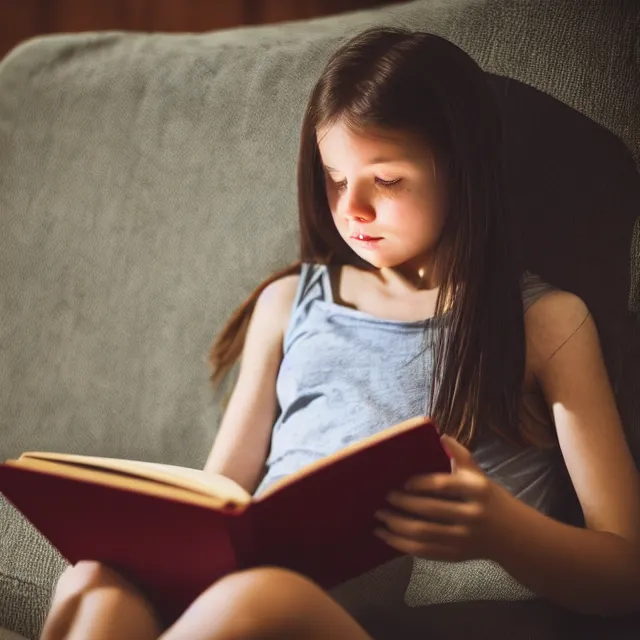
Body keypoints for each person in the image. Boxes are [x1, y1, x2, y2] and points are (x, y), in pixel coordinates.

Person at [40, 27, 640, 640]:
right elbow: (217, 495)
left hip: (371, 622)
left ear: (462, 173)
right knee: (94, 583)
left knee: (258, 598)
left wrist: (501, 529)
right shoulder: (290, 304)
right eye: (333, 175)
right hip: (253, 600)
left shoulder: (544, 323)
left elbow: (627, 573)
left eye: (387, 180)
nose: (350, 207)